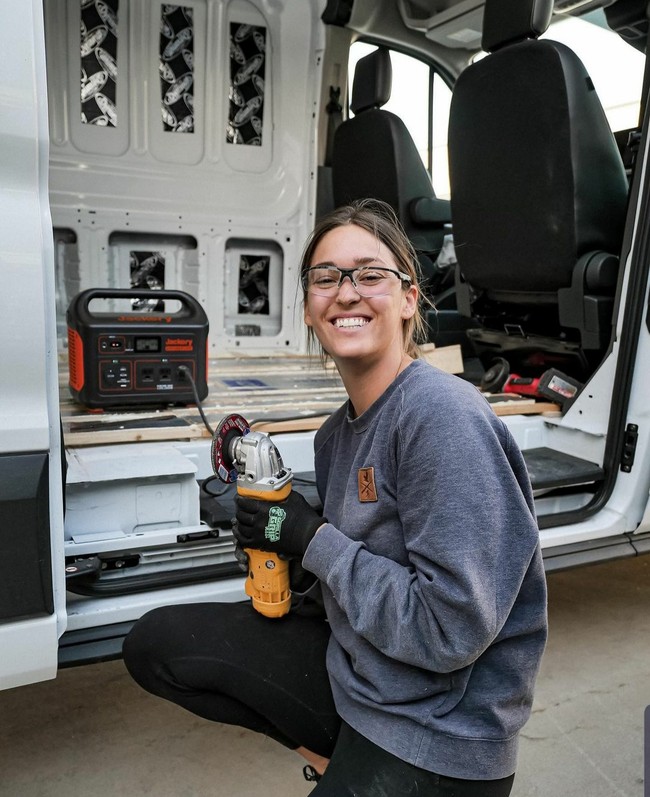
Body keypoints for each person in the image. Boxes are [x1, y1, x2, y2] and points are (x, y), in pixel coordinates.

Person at [123, 199, 547, 796]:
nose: (346, 293)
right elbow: (353, 569)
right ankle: (334, 761)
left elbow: (447, 631)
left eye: (370, 274)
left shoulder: (440, 418)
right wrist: (289, 556)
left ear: (408, 300)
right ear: (308, 306)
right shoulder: (336, 433)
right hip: (362, 676)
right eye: (326, 278)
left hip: (439, 730)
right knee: (159, 646)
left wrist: (311, 538)